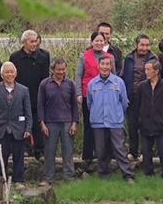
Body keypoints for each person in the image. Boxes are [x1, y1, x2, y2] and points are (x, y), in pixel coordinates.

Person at [0, 62, 32, 190]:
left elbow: (28, 111)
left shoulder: (24, 90)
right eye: (7, 72)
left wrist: (28, 128)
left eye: (12, 72)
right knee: (2, 156)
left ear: (16, 73)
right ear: (2, 74)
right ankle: (2, 180)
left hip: (18, 128)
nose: (10, 74)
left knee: (19, 156)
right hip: (1, 128)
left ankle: (18, 180)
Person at [86, 57, 135, 182]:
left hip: (115, 122)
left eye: (108, 64)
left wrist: (117, 114)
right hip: (98, 122)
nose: (105, 67)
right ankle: (103, 174)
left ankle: (128, 175)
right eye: (103, 64)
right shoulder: (92, 84)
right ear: (98, 65)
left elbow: (124, 102)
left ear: (111, 66)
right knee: (100, 150)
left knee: (120, 149)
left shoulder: (118, 82)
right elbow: (89, 104)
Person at [38, 56, 80, 185]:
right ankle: (48, 178)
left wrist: (75, 122)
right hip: (50, 123)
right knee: (49, 152)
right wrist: (42, 123)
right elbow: (40, 105)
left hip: (67, 122)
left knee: (68, 152)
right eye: (58, 70)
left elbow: (74, 105)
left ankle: (69, 177)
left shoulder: (70, 84)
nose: (61, 72)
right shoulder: (44, 84)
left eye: (63, 69)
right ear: (52, 69)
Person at [10, 29, 50, 160]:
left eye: (36, 41)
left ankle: (40, 150)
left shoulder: (43, 56)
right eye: (31, 42)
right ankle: (25, 148)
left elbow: (45, 78)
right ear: (24, 42)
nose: (34, 44)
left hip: (37, 94)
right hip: (20, 96)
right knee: (22, 122)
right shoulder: (15, 57)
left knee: (37, 123)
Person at [77, 31, 114, 162]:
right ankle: (87, 155)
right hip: (89, 94)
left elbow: (114, 77)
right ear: (91, 42)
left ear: (105, 42)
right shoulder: (84, 56)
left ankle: (107, 154)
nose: (99, 43)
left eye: (101, 41)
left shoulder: (109, 56)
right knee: (89, 124)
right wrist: (79, 93)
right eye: (96, 41)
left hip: (106, 95)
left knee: (107, 124)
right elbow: (79, 75)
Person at [134, 60, 163, 178]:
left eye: (148, 70)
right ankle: (148, 173)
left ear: (156, 71)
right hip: (145, 124)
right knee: (146, 151)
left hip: (162, 124)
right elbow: (137, 106)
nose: (146, 72)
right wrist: (138, 122)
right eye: (145, 69)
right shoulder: (142, 86)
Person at [122, 34, 159, 160]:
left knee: (145, 125)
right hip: (131, 96)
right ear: (136, 45)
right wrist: (124, 94)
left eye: (147, 45)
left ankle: (146, 152)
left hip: (147, 97)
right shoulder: (129, 58)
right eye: (142, 45)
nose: (144, 48)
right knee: (132, 125)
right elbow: (123, 76)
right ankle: (133, 151)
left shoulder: (154, 59)